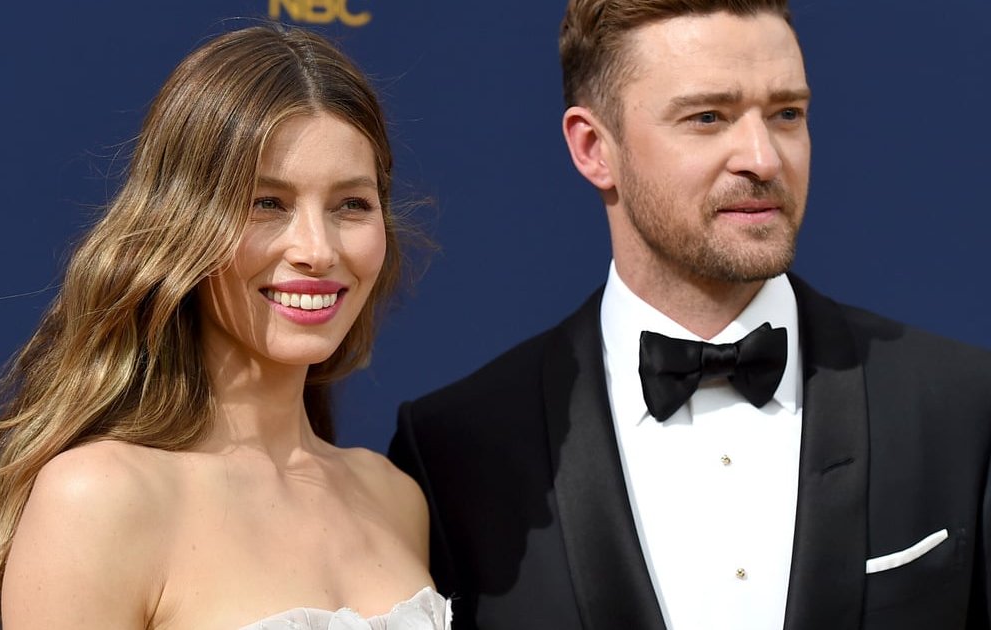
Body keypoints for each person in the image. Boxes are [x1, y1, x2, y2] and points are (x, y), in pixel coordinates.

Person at [389, 1, 991, 628]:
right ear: (594, 148)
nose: (763, 158)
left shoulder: (965, 406)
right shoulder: (457, 452)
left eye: (786, 114)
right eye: (708, 117)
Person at [0, 25, 449, 630]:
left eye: (351, 205)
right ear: (183, 224)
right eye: (266, 203)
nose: (317, 250)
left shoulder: (394, 497)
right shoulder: (98, 498)